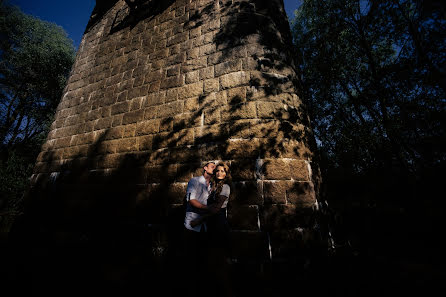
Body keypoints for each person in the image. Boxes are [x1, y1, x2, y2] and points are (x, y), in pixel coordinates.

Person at [190, 162, 233, 297]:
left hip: (219, 225)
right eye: (218, 170)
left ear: (226, 173)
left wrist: (199, 219)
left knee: (218, 261)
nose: (220, 173)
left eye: (223, 171)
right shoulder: (214, 187)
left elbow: (216, 209)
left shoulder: (225, 187)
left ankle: (226, 291)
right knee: (210, 261)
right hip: (212, 224)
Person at [182, 161, 216, 297]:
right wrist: (207, 208)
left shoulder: (212, 186)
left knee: (201, 260)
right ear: (205, 168)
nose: (214, 168)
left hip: (204, 226)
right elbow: (191, 200)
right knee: (188, 260)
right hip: (191, 225)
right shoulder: (194, 181)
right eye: (212, 166)